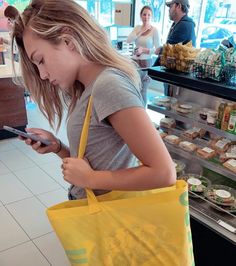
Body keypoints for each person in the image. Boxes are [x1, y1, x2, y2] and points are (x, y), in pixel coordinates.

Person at [12, 0, 176, 200]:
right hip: (94, 211)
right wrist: (58, 148)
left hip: (106, 218)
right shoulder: (89, 86)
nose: (43, 74)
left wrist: (91, 179)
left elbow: (164, 173)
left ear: (68, 40)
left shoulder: (108, 86)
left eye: (41, 60)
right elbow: (99, 160)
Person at [127, 5, 161, 105]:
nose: (146, 17)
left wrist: (144, 50)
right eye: (144, 14)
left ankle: (143, 115)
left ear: (152, 17)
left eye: (149, 15)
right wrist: (140, 32)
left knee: (143, 91)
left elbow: (157, 50)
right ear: (141, 15)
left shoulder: (155, 30)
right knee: (134, 90)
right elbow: (129, 40)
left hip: (146, 63)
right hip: (134, 62)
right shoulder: (137, 28)